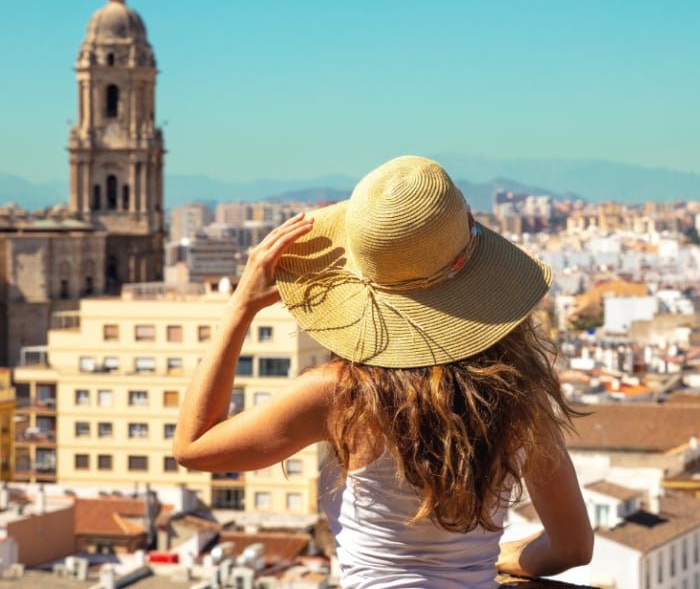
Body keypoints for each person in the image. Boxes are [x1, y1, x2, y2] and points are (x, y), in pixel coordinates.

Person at [174, 155, 593, 587]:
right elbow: (572, 547)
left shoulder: (343, 394)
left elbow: (193, 446)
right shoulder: (519, 393)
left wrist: (241, 306)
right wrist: (493, 560)